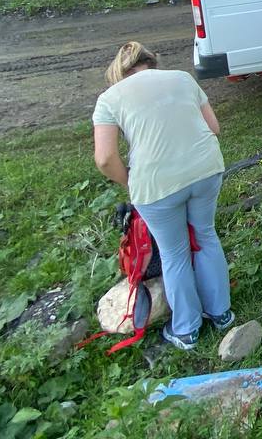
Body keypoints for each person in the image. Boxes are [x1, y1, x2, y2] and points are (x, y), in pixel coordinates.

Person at [91, 41, 233, 351]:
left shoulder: (109, 98)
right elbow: (215, 127)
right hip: (206, 169)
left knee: (174, 253)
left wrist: (128, 180)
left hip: (156, 185)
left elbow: (104, 158)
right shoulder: (182, 78)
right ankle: (221, 313)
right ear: (152, 64)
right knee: (206, 236)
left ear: (119, 72)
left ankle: (186, 328)